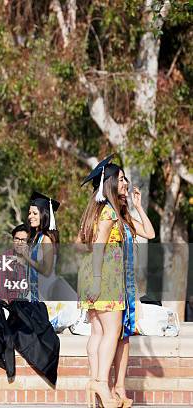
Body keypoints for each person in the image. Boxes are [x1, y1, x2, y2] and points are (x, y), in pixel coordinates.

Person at [78, 155, 154, 408]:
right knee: (111, 331)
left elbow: (150, 233)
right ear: (110, 182)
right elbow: (99, 246)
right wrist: (99, 279)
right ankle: (101, 383)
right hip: (106, 274)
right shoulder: (109, 212)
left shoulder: (99, 211)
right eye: (121, 179)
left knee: (98, 331)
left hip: (93, 272)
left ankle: (95, 383)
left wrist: (138, 206)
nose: (125, 183)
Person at [19, 191, 60, 301]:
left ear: (44, 215)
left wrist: (26, 257)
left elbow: (47, 271)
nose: (30, 216)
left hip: (44, 295)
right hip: (33, 293)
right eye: (29, 213)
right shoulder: (36, 238)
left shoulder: (46, 239)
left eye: (34, 213)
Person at [0, 224, 29, 302]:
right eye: (17, 239)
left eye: (23, 240)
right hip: (13, 305)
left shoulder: (34, 259)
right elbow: (0, 289)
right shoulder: (3, 259)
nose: (20, 243)